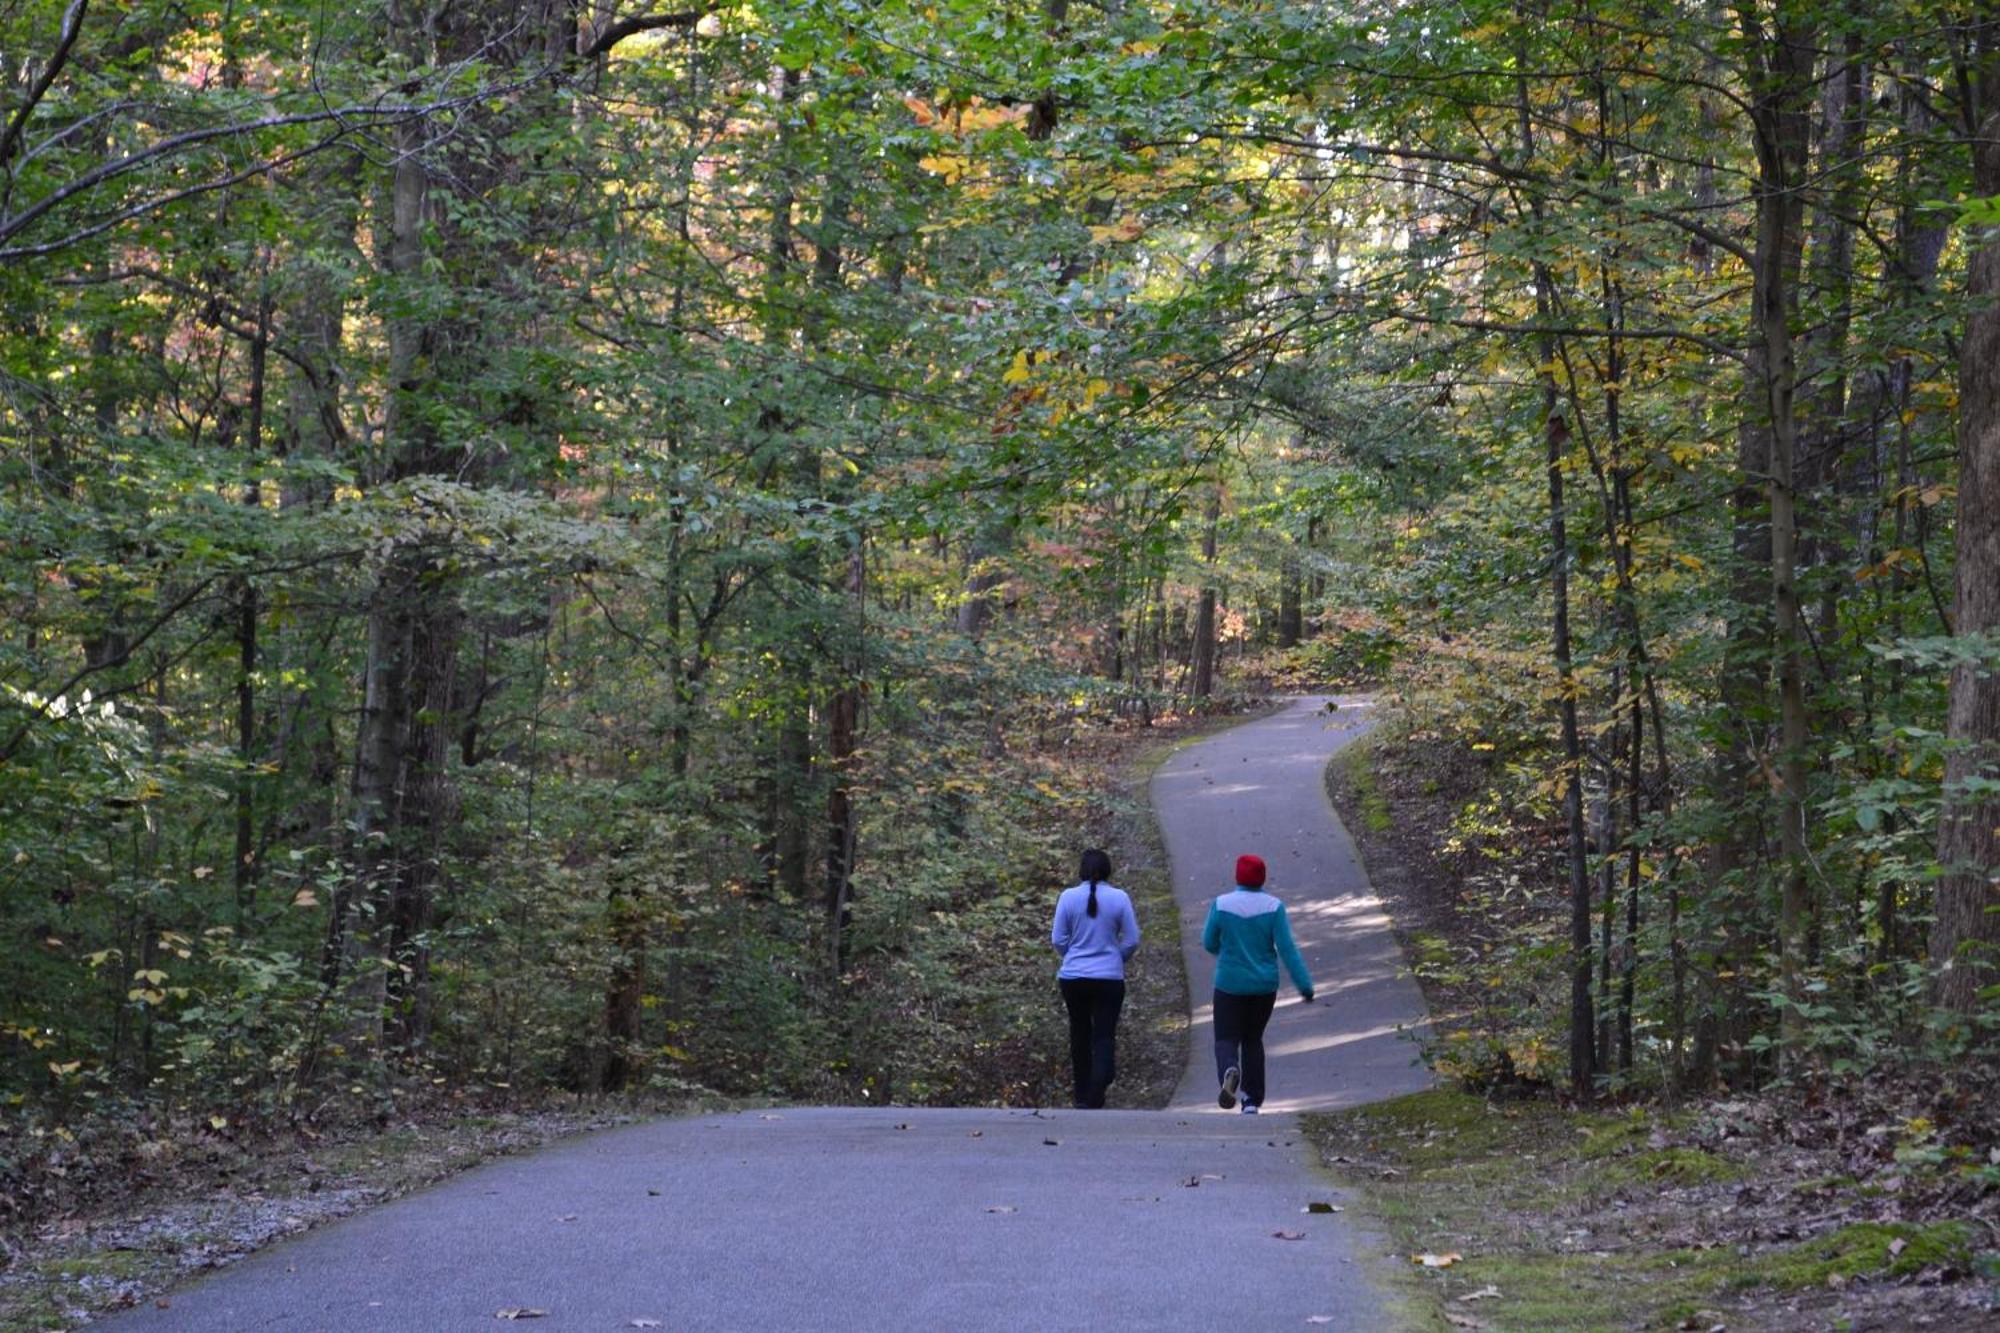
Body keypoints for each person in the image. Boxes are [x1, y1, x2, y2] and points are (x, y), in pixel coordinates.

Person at [1202, 853, 1313, 1113]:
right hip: (1264, 987)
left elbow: (1209, 942)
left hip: (1229, 983)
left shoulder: (1222, 904)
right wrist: (1305, 986)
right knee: (1253, 1039)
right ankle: (1251, 1100)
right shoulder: (1274, 907)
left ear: (1237, 875)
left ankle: (1230, 1069)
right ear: (1262, 877)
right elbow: (1288, 950)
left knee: (1226, 1039)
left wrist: (1227, 951)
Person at [1050, 848, 1141, 1109]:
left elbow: (1058, 939)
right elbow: (1132, 939)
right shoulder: (1119, 898)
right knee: (1104, 1033)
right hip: (1109, 979)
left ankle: (1082, 1094)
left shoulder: (1067, 897)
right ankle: (1099, 1083)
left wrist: (1072, 958)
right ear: (1108, 870)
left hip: (1073, 978)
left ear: (1081, 870)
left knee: (1079, 1033)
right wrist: (1116, 958)